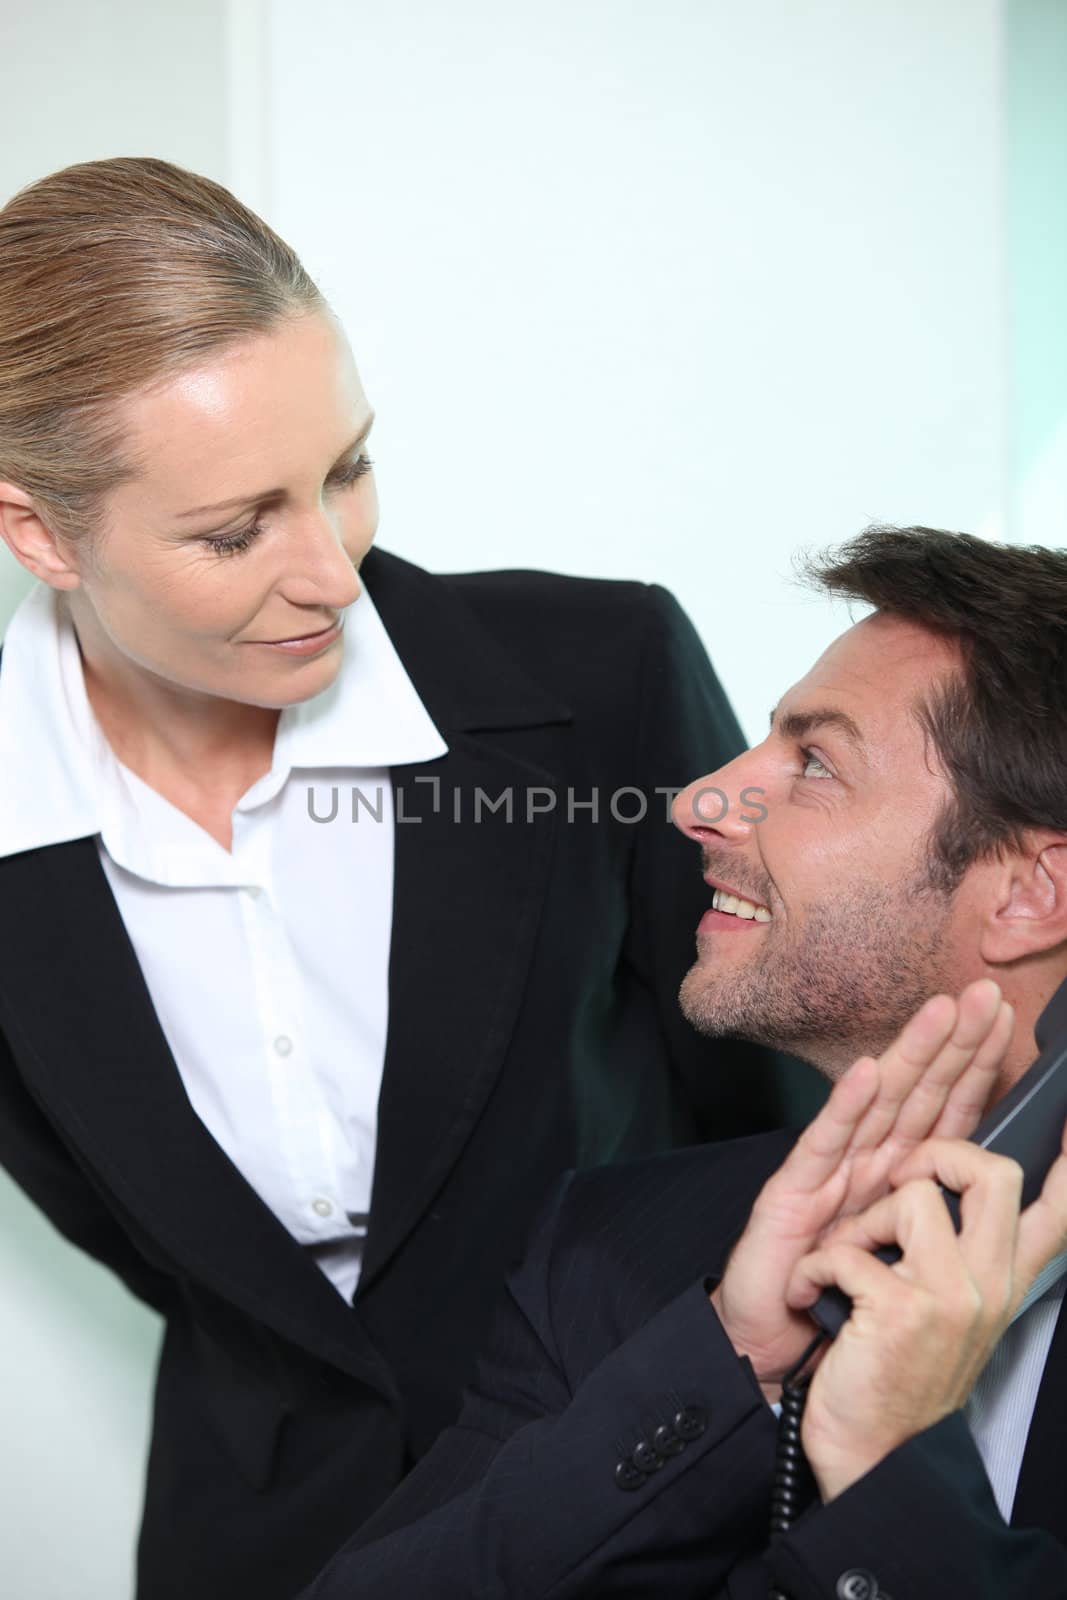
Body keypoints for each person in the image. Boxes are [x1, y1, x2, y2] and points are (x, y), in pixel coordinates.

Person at [0, 157, 800, 1600]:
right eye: (235, 528)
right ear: (38, 532)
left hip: (651, 1499)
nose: (331, 567)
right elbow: (129, 1220)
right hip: (256, 1543)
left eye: (345, 470)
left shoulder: (598, 680)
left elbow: (769, 1108)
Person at [298, 526, 1067, 1599]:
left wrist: (889, 1467)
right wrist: (731, 1365)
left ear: (1033, 893)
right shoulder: (614, 1249)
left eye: (812, 763)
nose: (693, 801)